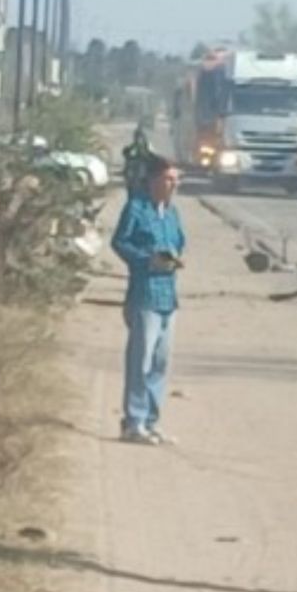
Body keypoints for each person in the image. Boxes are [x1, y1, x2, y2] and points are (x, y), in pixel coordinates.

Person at [111, 156, 186, 445]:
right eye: (168, 179)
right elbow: (120, 242)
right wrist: (146, 259)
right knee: (140, 361)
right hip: (144, 293)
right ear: (153, 180)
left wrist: (173, 259)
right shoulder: (136, 208)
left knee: (160, 362)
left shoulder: (172, 212)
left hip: (168, 295)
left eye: (176, 180)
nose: (173, 185)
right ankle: (134, 421)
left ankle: (151, 421)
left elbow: (179, 241)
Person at [122, 125, 153, 197]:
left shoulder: (147, 146)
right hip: (133, 177)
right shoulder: (132, 147)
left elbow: (152, 157)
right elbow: (126, 154)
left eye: (140, 137)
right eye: (137, 137)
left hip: (144, 177)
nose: (138, 139)